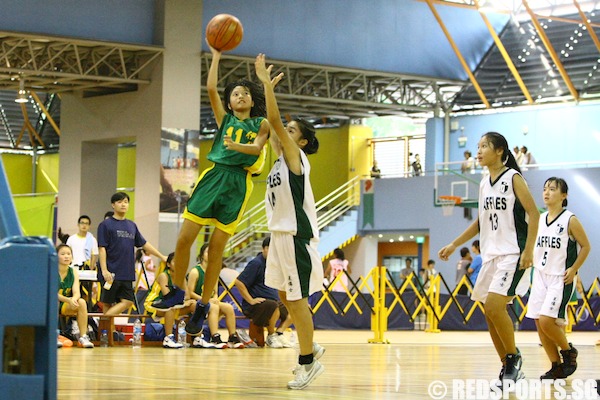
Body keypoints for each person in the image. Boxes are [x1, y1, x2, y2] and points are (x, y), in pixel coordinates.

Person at [172, 44, 270, 336]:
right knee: (183, 241)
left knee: (216, 250)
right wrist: (215, 56)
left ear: (253, 101)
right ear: (229, 103)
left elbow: (255, 149)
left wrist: (234, 146)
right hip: (213, 177)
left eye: (245, 93)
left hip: (237, 184)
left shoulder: (260, 123)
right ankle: (177, 294)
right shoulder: (224, 120)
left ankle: (204, 304)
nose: (240, 96)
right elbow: (212, 88)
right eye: (235, 94)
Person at [438, 131, 539, 385]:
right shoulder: (484, 183)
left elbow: (534, 214)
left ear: (500, 152)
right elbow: (480, 222)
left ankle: (514, 357)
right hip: (491, 254)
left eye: (485, 146)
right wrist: (454, 244)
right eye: (478, 145)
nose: (479, 151)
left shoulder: (514, 178)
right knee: (488, 311)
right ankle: (508, 366)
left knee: (495, 306)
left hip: (513, 253)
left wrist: (528, 251)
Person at [255, 53, 325, 390]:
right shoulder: (279, 162)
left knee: (297, 302)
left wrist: (267, 86)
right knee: (285, 295)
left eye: (291, 130)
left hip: (296, 237)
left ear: (299, 141)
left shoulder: (296, 158)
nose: (284, 131)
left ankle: (307, 360)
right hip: (280, 236)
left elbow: (272, 118)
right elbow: (266, 125)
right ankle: (311, 344)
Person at [525, 177, 590, 380]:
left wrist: (574, 268)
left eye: (552, 189)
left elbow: (586, 246)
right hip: (540, 275)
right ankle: (555, 365)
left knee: (547, 321)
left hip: (560, 278)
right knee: (538, 322)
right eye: (545, 189)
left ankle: (568, 351)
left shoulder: (570, 219)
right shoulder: (539, 218)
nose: (546, 192)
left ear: (564, 195)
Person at [97, 192, 167, 316]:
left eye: (125, 202)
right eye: (119, 202)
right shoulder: (105, 225)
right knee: (107, 303)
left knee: (128, 302)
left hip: (126, 273)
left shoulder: (131, 225)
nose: (123, 204)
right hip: (111, 271)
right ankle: (106, 333)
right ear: (113, 205)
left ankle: (104, 321)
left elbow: (144, 244)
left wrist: (161, 256)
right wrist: (104, 270)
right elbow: (102, 248)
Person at [235, 236, 294, 348]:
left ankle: (279, 333)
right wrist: (251, 300)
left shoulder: (275, 265)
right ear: (263, 249)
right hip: (255, 305)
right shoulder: (256, 263)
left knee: (296, 307)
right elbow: (239, 282)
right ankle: (271, 336)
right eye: (269, 248)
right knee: (273, 304)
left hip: (272, 301)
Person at [185, 243, 245, 349]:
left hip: (209, 301)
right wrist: (206, 299)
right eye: (208, 252)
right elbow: (190, 293)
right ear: (202, 255)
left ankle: (232, 336)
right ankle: (215, 337)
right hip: (196, 302)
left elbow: (215, 292)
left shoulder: (214, 271)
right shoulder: (195, 271)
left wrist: (216, 298)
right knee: (214, 307)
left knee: (228, 307)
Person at [144, 252, 188, 349]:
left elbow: (187, 296)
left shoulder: (181, 277)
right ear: (168, 264)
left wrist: (188, 301)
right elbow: (167, 296)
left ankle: (196, 338)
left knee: (194, 306)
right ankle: (168, 338)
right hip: (153, 303)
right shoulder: (164, 276)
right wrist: (183, 300)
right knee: (169, 307)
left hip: (171, 304)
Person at [57, 244, 94, 348]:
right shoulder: (51, 270)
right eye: (63, 254)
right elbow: (52, 294)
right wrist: (68, 300)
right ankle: (54, 335)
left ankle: (83, 337)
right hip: (51, 303)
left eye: (69, 254)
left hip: (65, 304)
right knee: (53, 301)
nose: (66, 256)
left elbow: (77, 292)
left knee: (81, 302)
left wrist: (73, 299)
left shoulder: (73, 271)